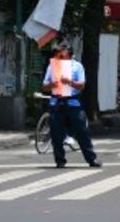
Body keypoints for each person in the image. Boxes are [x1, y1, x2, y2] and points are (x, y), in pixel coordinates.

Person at [41, 41, 101, 169]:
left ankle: (91, 158)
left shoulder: (77, 66)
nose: (60, 54)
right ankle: (60, 160)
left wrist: (70, 82)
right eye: (59, 52)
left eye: (63, 52)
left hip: (73, 103)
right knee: (56, 134)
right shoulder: (52, 67)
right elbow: (45, 86)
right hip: (56, 103)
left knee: (82, 132)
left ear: (69, 53)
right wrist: (52, 84)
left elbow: (81, 85)